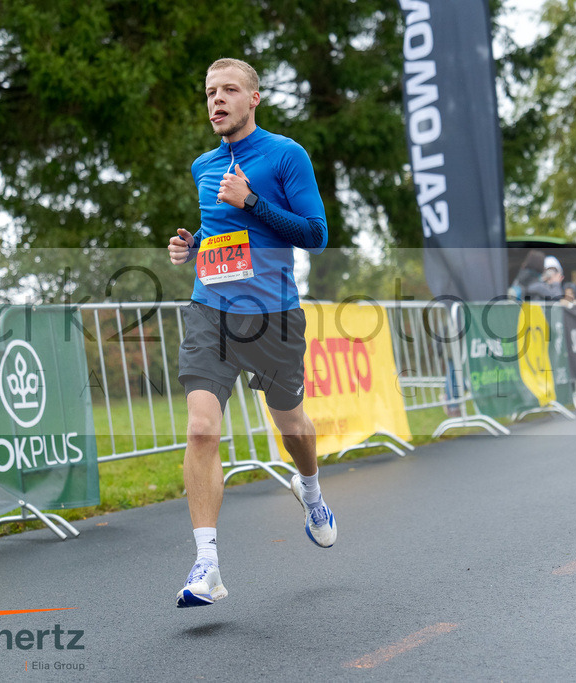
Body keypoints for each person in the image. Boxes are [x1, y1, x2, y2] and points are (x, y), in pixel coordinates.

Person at [166, 58, 335, 609]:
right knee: (200, 430)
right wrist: (190, 250)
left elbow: (315, 234)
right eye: (210, 91)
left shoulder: (286, 155)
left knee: (293, 426)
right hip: (210, 310)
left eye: (229, 90)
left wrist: (254, 202)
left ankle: (310, 490)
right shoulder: (202, 165)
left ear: (253, 99)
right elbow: (224, 239)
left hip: (274, 317)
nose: (217, 100)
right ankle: (206, 565)